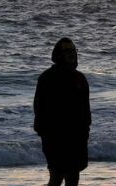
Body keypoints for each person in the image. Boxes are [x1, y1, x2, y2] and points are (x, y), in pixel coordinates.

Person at [33, 38, 91, 186]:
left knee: (73, 177)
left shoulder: (80, 78)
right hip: (54, 136)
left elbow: (85, 109)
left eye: (73, 50)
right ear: (59, 54)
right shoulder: (47, 78)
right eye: (67, 51)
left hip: (76, 136)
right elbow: (39, 108)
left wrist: (85, 131)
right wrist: (43, 132)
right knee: (56, 176)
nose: (71, 54)